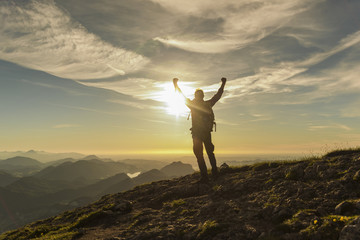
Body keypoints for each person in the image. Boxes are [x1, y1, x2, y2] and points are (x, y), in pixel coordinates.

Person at [173, 77, 226, 182]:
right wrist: (223, 83)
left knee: (199, 155)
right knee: (210, 153)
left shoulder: (192, 105)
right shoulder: (208, 104)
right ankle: (215, 174)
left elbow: (181, 96)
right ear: (203, 96)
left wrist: (175, 85)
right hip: (206, 132)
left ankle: (204, 177)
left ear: (196, 96)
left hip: (197, 134)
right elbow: (218, 95)